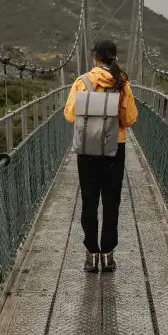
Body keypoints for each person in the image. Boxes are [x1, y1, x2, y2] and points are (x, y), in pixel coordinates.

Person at [64, 39, 138, 272]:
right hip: (114, 149)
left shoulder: (81, 82)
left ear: (95, 57)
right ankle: (108, 254)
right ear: (114, 57)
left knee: (89, 200)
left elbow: (69, 115)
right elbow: (129, 120)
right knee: (111, 201)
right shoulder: (122, 83)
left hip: (87, 150)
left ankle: (91, 255)